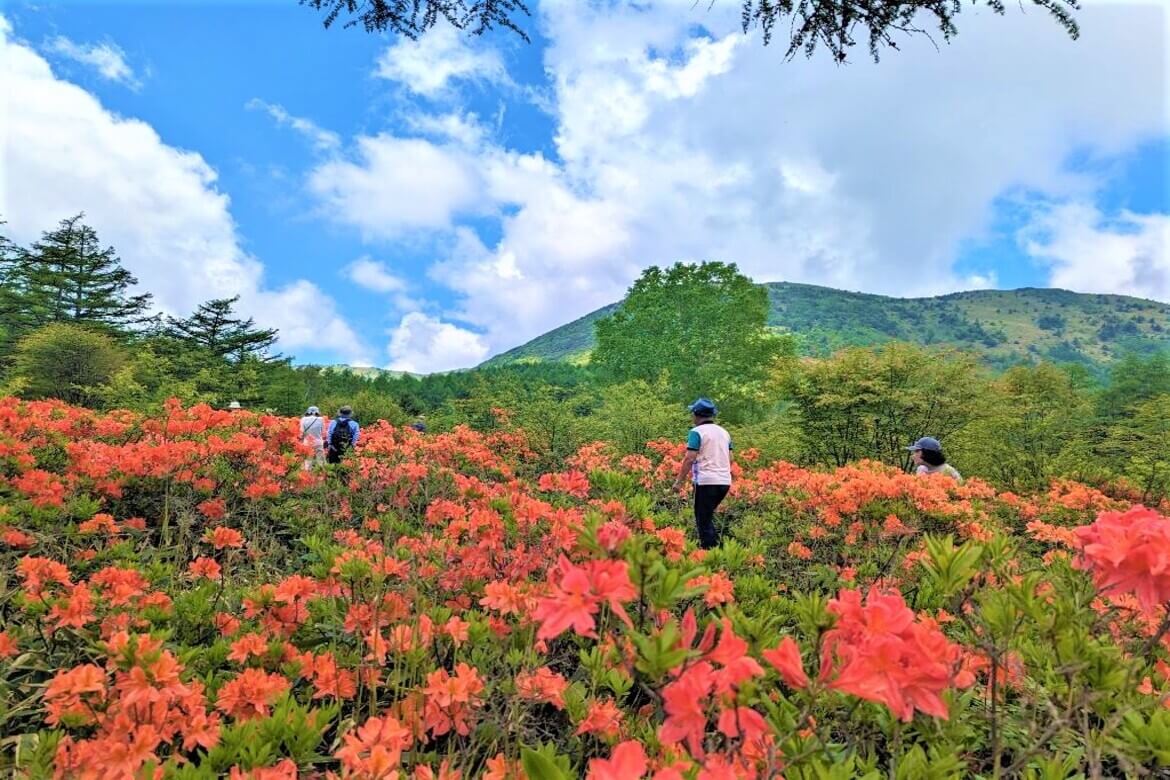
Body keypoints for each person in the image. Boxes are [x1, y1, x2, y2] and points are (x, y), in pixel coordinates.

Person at [672, 398, 733, 549]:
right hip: (724, 482)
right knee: (707, 516)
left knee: (703, 520)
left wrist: (679, 481)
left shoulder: (696, 432)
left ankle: (709, 555)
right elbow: (730, 458)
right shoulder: (724, 433)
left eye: (692, 413)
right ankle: (717, 548)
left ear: (697, 414)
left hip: (706, 481)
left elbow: (689, 458)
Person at [300, 406, 325, 470]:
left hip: (307, 443)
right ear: (317, 412)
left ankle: (308, 477)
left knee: (308, 462)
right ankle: (321, 476)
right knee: (320, 461)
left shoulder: (303, 419)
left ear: (308, 412)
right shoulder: (321, 419)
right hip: (318, 442)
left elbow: (301, 432)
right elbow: (323, 432)